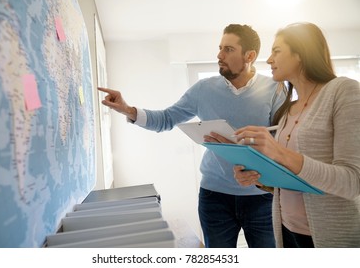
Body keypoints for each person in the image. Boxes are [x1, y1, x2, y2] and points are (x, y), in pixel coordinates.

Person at [98, 24, 286, 248]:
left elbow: (284, 140)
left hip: (262, 197)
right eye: (219, 48)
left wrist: (248, 152)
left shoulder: (275, 88)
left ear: (250, 55)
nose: (219, 55)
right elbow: (166, 119)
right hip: (214, 197)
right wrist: (127, 110)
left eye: (228, 49)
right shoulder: (202, 90)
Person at [230, 22, 360, 247]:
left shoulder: (344, 91)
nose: (269, 60)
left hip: (331, 238)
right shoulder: (288, 109)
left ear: (301, 53)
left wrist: (278, 152)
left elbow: (352, 182)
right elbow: (294, 178)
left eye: (276, 51)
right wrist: (258, 178)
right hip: (287, 231)